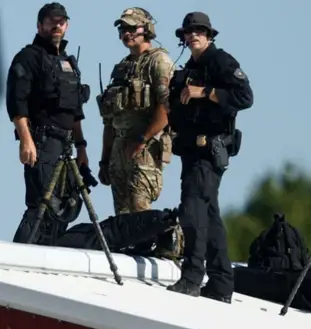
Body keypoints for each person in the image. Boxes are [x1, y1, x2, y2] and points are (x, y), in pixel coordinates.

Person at [166, 12, 253, 302]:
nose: (193, 36)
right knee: (210, 215)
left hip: (209, 151)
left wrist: (205, 91)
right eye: (189, 32)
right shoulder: (189, 67)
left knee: (192, 210)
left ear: (210, 35)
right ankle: (220, 283)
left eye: (199, 31)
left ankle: (192, 277)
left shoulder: (220, 61)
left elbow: (245, 97)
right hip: (191, 151)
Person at [96, 8, 180, 257]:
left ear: (147, 29)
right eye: (122, 29)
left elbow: (166, 108)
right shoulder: (121, 67)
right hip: (119, 149)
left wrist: (142, 140)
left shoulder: (159, 61)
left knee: (139, 208)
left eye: (132, 28)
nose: (126, 33)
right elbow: (109, 121)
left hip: (145, 148)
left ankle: (167, 245)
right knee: (123, 220)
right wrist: (105, 158)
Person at [5, 3, 91, 245]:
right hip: (41, 142)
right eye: (52, 21)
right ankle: (18, 259)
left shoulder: (68, 63)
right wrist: (26, 140)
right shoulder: (28, 57)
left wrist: (81, 147)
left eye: (61, 21)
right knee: (40, 204)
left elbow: (75, 111)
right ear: (40, 24)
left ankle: (46, 253)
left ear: (67, 25)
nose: (57, 25)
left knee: (63, 206)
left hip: (66, 146)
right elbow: (17, 103)